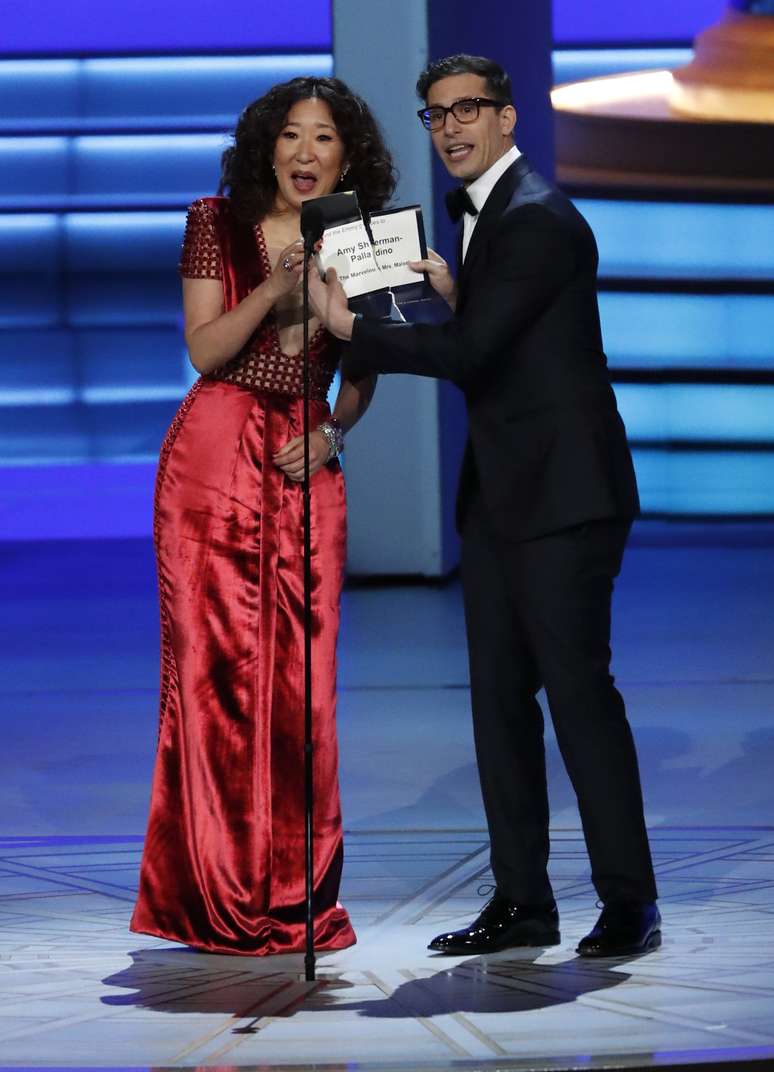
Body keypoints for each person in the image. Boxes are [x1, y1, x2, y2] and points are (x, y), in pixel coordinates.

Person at [309, 54, 660, 958]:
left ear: (507, 118)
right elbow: (496, 344)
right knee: (499, 704)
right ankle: (523, 902)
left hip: (564, 498)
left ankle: (629, 902)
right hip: (502, 498)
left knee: (579, 698)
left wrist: (353, 328)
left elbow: (468, 358)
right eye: (435, 115)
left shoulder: (537, 220)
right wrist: (459, 303)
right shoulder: (492, 220)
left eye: (468, 110)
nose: (452, 127)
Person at [130, 77, 395, 955]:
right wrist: (273, 290)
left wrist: (332, 436)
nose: (306, 153)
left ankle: (299, 895)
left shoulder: (365, 244)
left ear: (348, 156)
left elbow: (366, 374)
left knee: (305, 685)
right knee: (213, 682)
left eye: (325, 138)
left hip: (306, 462)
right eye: (291, 136)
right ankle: (212, 894)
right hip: (214, 459)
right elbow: (204, 348)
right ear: (266, 148)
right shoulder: (216, 219)